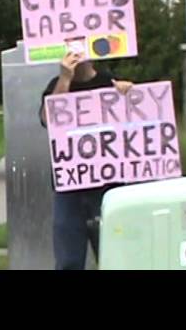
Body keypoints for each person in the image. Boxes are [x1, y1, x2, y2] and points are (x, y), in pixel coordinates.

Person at [40, 51, 133, 270]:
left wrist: (127, 92)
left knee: (114, 258)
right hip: (69, 189)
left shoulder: (109, 82)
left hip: (108, 189)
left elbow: (135, 121)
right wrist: (65, 79)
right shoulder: (56, 84)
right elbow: (48, 119)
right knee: (68, 260)